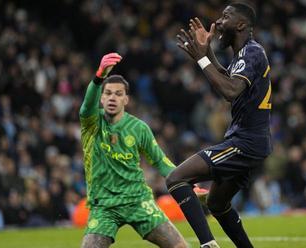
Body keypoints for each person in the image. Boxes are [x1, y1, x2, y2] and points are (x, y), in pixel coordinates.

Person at [167, 3, 272, 248]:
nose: (218, 22)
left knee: (175, 179)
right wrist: (205, 55)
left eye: (225, 16)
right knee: (217, 204)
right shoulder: (245, 55)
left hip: (245, 142)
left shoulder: (252, 52)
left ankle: (207, 244)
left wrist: (204, 58)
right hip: (250, 142)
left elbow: (230, 90)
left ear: (241, 24)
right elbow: (229, 78)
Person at [79, 53, 187, 248]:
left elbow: (161, 162)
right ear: (101, 99)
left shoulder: (139, 128)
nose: (113, 98)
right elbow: (87, 106)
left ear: (126, 100)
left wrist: (188, 184)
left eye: (118, 94)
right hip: (104, 206)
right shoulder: (92, 123)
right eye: (108, 93)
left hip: (138, 200)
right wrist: (99, 76)